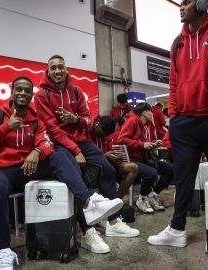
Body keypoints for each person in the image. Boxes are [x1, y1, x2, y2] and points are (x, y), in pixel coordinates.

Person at [0, 76, 124, 268]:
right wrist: (5, 128)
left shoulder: (35, 120)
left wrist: (36, 151)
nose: (23, 93)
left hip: (27, 169)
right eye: (19, 89)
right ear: (12, 92)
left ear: (30, 95)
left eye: (27, 90)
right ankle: (4, 250)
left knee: (61, 155)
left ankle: (88, 203)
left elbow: (46, 143)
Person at [147, 0, 208, 247]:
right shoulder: (178, 42)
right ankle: (177, 230)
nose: (181, 6)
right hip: (184, 123)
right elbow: (174, 83)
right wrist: (174, 118)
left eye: (187, 2)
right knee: (184, 178)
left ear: (201, 4)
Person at [34, 55, 140, 254]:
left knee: (108, 169)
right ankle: (87, 231)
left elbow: (88, 121)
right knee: (76, 175)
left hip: (80, 140)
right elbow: (52, 129)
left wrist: (76, 119)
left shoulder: (76, 90)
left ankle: (112, 222)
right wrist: (75, 151)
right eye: (53, 68)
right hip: (60, 143)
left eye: (60, 67)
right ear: (48, 71)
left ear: (66, 69)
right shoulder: (42, 95)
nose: (57, 71)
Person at [118, 103, 174, 213]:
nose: (152, 114)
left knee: (171, 169)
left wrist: (154, 143)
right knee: (151, 173)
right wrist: (141, 144)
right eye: (149, 111)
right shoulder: (132, 121)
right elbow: (122, 139)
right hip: (134, 159)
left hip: (147, 158)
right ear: (143, 112)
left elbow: (147, 141)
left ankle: (153, 195)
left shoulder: (148, 124)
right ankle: (142, 199)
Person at [88, 115, 139, 199]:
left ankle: (117, 200)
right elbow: (85, 153)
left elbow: (110, 149)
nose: (104, 136)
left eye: (106, 135)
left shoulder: (106, 133)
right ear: (98, 125)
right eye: (102, 133)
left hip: (106, 163)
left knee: (133, 168)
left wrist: (115, 156)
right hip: (94, 165)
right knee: (109, 170)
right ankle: (109, 201)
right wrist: (104, 155)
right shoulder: (86, 130)